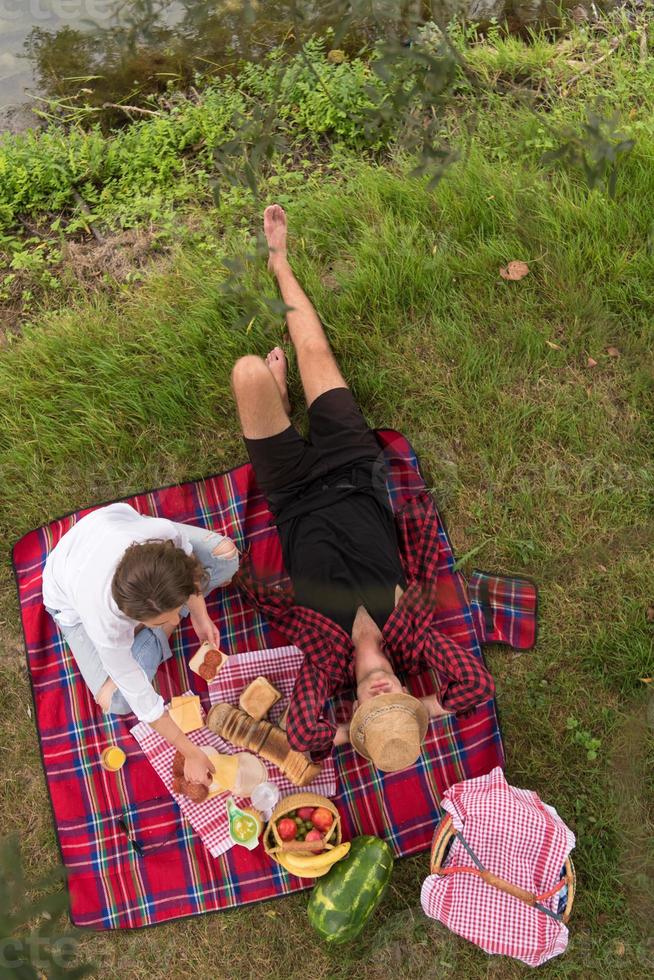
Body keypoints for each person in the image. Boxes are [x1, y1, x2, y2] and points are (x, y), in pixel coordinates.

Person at [231, 204, 495, 773]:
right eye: (398, 698)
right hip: (354, 466)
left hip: (293, 494)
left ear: (357, 706)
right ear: (406, 687)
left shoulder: (324, 666)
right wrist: (421, 711)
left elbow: (304, 734)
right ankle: (280, 263)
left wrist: (357, 732)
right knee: (318, 356)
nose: (385, 696)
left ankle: (275, 397)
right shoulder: (413, 636)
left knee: (247, 371)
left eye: (379, 708)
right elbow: (475, 686)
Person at [42, 503, 239, 785]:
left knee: (227, 558)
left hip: (121, 535)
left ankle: (159, 629)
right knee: (117, 700)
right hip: (69, 599)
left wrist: (199, 613)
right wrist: (191, 752)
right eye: (163, 619)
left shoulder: (162, 535)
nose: (175, 615)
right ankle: (159, 632)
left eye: (176, 607)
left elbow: (187, 566)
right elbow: (145, 705)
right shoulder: (105, 622)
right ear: (130, 619)